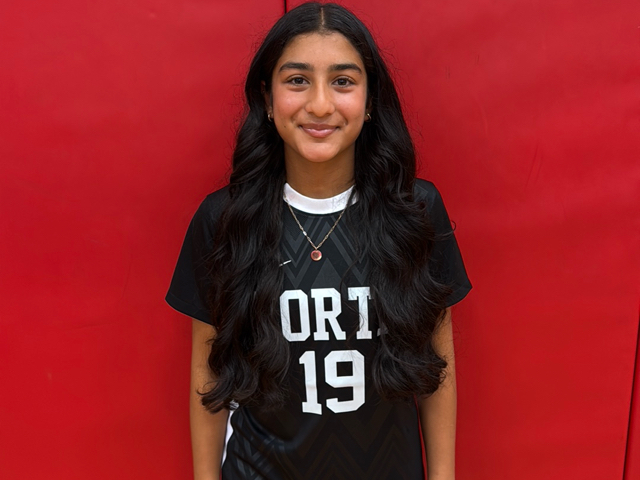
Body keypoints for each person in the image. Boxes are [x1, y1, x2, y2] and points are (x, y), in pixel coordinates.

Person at [166, 2, 471, 479]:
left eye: (343, 81)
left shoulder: (415, 212)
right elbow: (209, 373)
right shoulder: (224, 219)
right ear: (267, 98)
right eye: (297, 80)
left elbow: (437, 366)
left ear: (370, 100)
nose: (321, 105)